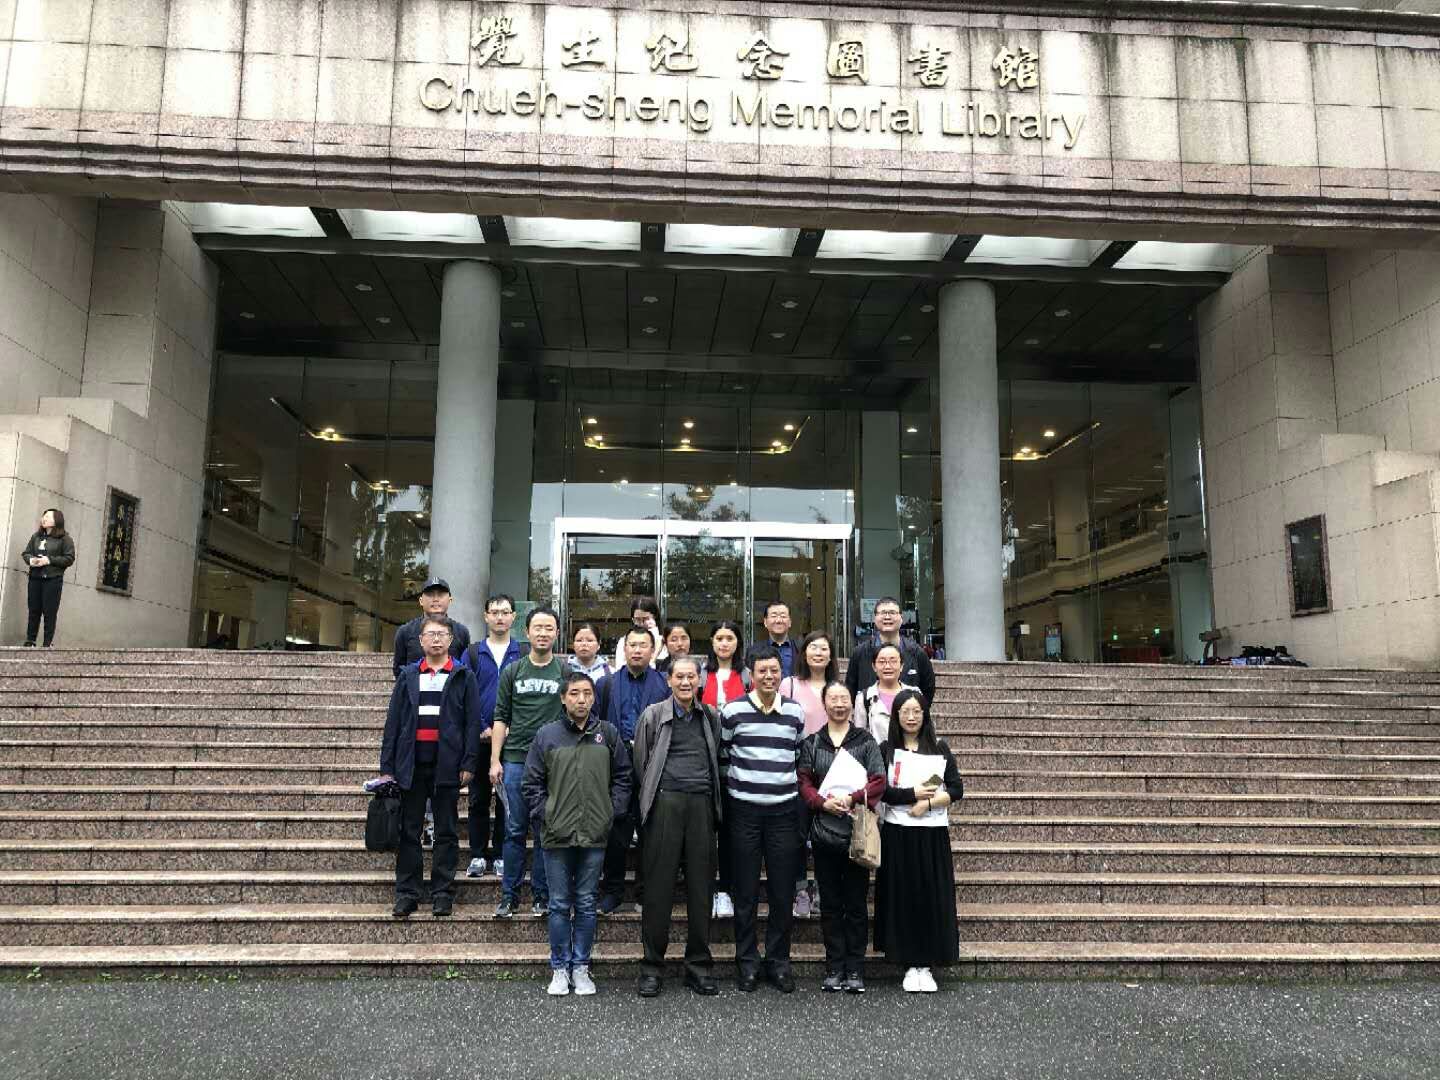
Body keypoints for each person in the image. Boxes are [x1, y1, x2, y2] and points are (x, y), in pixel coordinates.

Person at [522, 671, 633, 997]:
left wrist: (610, 811)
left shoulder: (607, 734)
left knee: (585, 903)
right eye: (574, 693)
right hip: (556, 835)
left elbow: (623, 776)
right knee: (558, 904)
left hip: (595, 834)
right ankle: (559, 967)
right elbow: (531, 783)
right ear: (563, 698)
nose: (581, 699)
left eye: (586, 693)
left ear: (594, 697)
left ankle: (581, 966)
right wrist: (547, 814)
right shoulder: (547, 735)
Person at [632, 657, 723, 998]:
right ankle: (652, 967)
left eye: (691, 677)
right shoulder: (653, 715)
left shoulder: (710, 716)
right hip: (665, 804)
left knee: (701, 890)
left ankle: (698, 967)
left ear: (700, 680)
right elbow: (641, 763)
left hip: (701, 805)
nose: (686, 682)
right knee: (658, 890)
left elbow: (715, 756)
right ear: (668, 680)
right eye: (679, 676)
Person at [379, 615, 482, 918]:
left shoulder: (463, 676)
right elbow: (393, 723)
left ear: (451, 640)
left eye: (442, 634)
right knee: (409, 830)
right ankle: (407, 892)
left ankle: (442, 892)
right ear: (421, 641)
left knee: (446, 831)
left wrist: (469, 762)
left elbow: (472, 723)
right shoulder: (408, 675)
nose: (436, 639)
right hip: (410, 766)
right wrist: (387, 767)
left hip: (447, 766)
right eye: (431, 634)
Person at [720, 644, 807, 993]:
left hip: (783, 812)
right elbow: (725, 757)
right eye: (762, 671)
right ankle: (747, 962)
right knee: (745, 892)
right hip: (744, 812)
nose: (769, 676)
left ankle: (778, 962)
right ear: (750, 675)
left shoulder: (795, 712)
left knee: (782, 892)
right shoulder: (733, 711)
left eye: (774, 671)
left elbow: (796, 755)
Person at [797, 682, 885, 993]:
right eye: (833, 699)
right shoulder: (813, 742)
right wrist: (821, 802)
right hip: (824, 833)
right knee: (831, 903)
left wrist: (852, 798)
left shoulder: (865, 740)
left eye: (844, 699)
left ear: (851, 704)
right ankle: (834, 966)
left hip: (856, 832)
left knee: (856, 903)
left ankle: (855, 968)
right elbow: (804, 781)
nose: (838, 704)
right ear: (824, 703)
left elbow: (879, 780)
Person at [875, 688, 963, 993]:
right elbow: (883, 791)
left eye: (917, 711)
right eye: (905, 712)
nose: (911, 717)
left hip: (931, 834)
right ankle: (908, 963)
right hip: (898, 833)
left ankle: (926, 964)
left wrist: (927, 804)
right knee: (902, 896)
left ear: (925, 715)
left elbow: (956, 788)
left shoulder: (939, 748)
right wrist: (912, 794)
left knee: (930, 895)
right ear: (896, 716)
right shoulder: (886, 749)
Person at [490, 606, 566, 918]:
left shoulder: (565, 672)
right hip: (515, 760)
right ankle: (509, 897)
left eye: (549, 628)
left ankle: (541, 896)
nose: (543, 633)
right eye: (538, 627)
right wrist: (495, 760)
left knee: (546, 831)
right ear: (527, 631)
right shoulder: (513, 671)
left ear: (557, 633)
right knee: (514, 831)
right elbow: (500, 717)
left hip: (553, 763)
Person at [594, 627, 671, 914]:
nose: (637, 650)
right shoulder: (606, 684)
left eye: (643, 645)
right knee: (616, 831)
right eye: (632, 645)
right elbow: (597, 723)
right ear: (624, 650)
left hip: (653, 763)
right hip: (616, 764)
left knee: (651, 831)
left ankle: (645, 891)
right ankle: (612, 891)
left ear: (653, 651)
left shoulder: (664, 684)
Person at [778, 629, 839, 918]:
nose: (818, 652)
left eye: (824, 648)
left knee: (829, 833)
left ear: (831, 655)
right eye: (813, 647)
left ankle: (824, 889)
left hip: (833, 769)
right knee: (798, 833)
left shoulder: (838, 687)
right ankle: (800, 890)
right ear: (803, 653)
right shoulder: (789, 685)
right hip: (799, 768)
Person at [460, 594, 521, 880]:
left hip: (513, 739)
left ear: (513, 617)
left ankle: (500, 855)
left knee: (507, 799)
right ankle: (477, 854)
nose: (499, 617)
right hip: (479, 738)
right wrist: (482, 726)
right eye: (494, 612)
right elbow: (464, 695)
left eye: (505, 612)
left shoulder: (522, 652)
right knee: (478, 798)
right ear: (485, 616)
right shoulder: (473, 653)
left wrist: (509, 727)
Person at [699, 620, 747, 919]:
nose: (724, 643)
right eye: (719, 638)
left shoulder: (747, 676)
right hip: (704, 762)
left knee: (730, 832)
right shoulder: (702, 675)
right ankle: (707, 890)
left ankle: (728, 889)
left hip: (737, 764)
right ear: (712, 642)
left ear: (737, 642)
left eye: (730, 638)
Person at [845, 596, 935, 705]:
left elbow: (928, 689)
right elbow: (850, 689)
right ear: (875, 618)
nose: (887, 617)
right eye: (883, 613)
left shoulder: (917, 653)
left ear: (901, 618)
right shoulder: (860, 653)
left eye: (892, 613)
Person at [392, 578, 472, 677]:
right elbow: (399, 669)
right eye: (430, 595)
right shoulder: (405, 632)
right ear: (421, 601)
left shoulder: (461, 632)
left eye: (441, 595)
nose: (435, 599)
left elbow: (465, 669)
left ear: (450, 600)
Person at [20, 508, 75, 648]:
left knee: (49, 612)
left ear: (57, 520)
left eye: (48, 516)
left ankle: (47, 643)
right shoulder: (36, 537)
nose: (44, 519)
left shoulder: (65, 539)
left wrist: (49, 560)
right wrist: (31, 560)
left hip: (52, 579)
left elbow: (69, 558)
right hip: (35, 578)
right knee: (34, 610)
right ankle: (30, 640)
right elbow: (26, 553)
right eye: (43, 516)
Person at [854, 643, 921, 738]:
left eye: (893, 661)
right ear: (874, 666)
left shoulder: (915, 694)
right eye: (882, 662)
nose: (887, 666)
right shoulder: (864, 698)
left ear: (901, 666)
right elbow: (859, 737)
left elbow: (925, 730)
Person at [744, 601, 800, 677]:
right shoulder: (753, 651)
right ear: (765, 622)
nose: (778, 620)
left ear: (790, 622)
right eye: (774, 616)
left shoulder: (801, 649)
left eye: (783, 616)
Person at [612, 596, 662, 669]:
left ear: (654, 617)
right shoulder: (624, 641)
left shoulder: (663, 641)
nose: (641, 624)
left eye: (646, 619)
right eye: (638, 619)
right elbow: (620, 668)